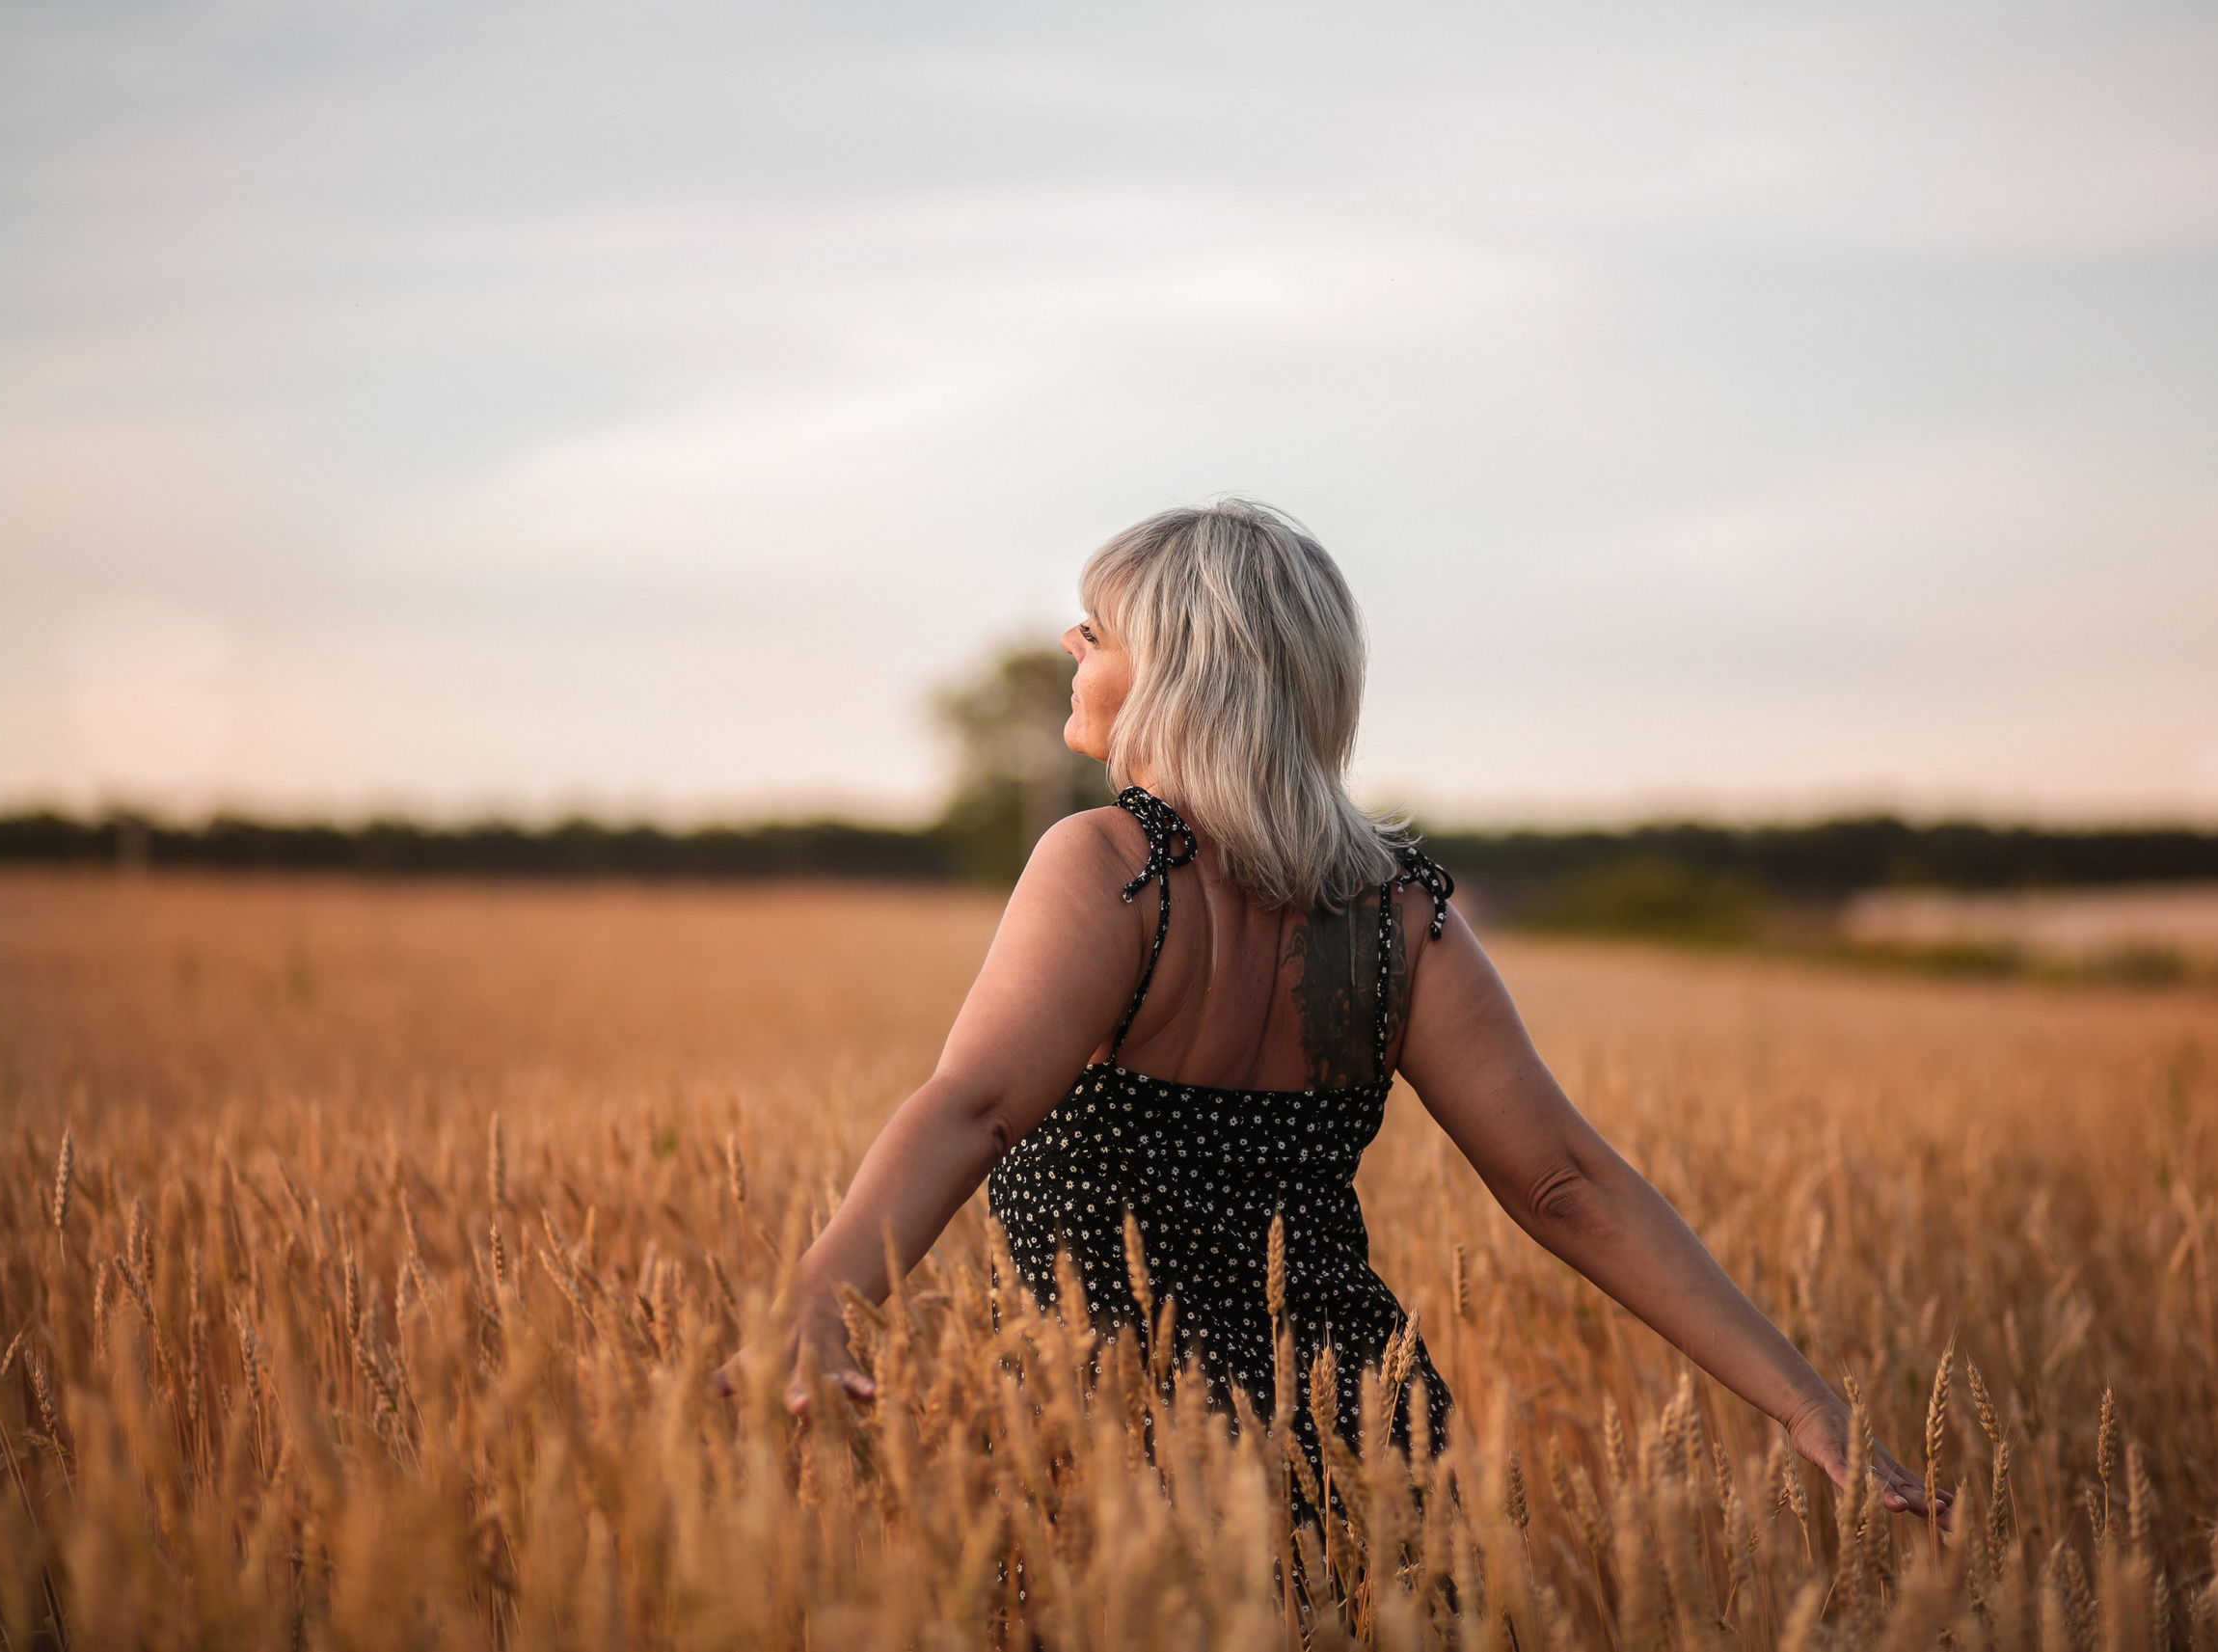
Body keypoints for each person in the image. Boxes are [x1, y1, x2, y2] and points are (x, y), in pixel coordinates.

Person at [738, 499, 1945, 1525]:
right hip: (1363, 1437)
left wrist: (820, 1292)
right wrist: (1807, 1409)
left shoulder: (1112, 863)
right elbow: (1566, 1183)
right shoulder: (1401, 913)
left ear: (1182, 670)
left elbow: (979, 1103)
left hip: (1109, 1435)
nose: (1067, 640)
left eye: (1096, 628)